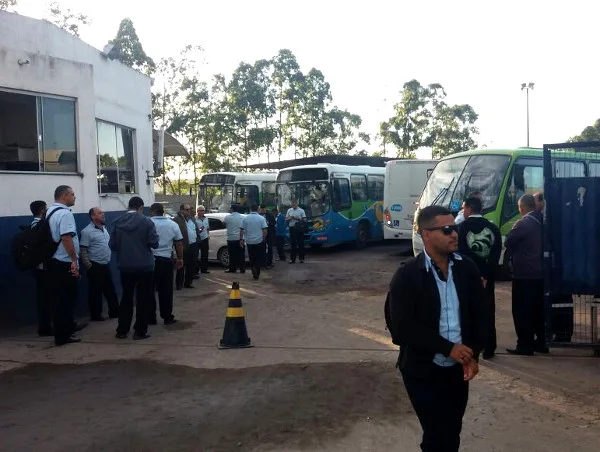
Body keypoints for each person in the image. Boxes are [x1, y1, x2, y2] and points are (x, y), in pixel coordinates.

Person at [388, 205, 486, 452]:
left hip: (457, 369)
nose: (454, 234)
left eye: (454, 228)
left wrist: (472, 354)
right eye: (446, 229)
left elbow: (481, 316)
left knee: (452, 432)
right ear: (426, 234)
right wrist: (447, 348)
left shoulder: (467, 269)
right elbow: (401, 328)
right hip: (422, 370)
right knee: (436, 432)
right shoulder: (408, 275)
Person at [458, 196, 502, 359]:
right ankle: (489, 347)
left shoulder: (461, 228)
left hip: (467, 278)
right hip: (487, 279)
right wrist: (485, 274)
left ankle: (471, 348)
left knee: (468, 312)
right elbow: (496, 253)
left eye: (463, 208)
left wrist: (475, 273)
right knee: (488, 311)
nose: (463, 211)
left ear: (469, 209)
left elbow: (462, 253)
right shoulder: (492, 228)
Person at [110, 196, 159, 340]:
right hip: (145, 266)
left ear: (128, 207)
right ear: (141, 208)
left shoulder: (118, 222)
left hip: (125, 266)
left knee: (126, 298)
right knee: (143, 299)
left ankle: (122, 330)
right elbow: (154, 243)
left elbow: (112, 245)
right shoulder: (147, 222)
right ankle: (140, 331)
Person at [505, 194, 547, 355]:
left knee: (522, 312)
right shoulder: (543, 220)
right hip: (541, 273)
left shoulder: (524, 223)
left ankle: (525, 345)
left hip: (524, 275)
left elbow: (509, 240)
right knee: (538, 311)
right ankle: (542, 342)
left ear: (521, 207)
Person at [46, 186, 81, 346]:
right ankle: (65, 334)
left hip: (53, 262)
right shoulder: (65, 214)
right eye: (72, 194)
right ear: (65, 196)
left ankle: (62, 332)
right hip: (64, 262)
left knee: (58, 300)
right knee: (67, 300)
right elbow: (66, 238)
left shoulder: (49, 212)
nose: (74, 197)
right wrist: (74, 260)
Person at [80, 207, 119, 321]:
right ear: (93, 216)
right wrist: (89, 265)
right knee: (95, 291)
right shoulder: (87, 231)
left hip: (105, 263)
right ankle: (96, 315)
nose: (103, 214)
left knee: (110, 289)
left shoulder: (104, 228)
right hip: (95, 264)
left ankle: (114, 311)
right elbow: (83, 250)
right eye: (100, 213)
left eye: (102, 212)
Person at [149, 203, 183, 325]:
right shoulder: (172, 224)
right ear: (162, 212)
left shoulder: (148, 223)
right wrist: (180, 258)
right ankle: (167, 316)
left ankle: (150, 317)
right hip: (166, 260)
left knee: (149, 290)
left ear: (152, 211)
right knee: (166, 290)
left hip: (150, 261)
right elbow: (178, 243)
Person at [30, 200, 53, 337]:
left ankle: (45, 325)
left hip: (38, 266)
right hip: (43, 266)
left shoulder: (33, 225)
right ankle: (45, 327)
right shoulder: (40, 225)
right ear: (42, 210)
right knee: (45, 298)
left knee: (43, 297)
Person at [174, 203, 200, 289]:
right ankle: (179, 284)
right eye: (187, 210)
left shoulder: (192, 219)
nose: (189, 211)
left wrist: (197, 241)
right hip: (183, 246)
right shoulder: (176, 219)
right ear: (182, 210)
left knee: (191, 265)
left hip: (193, 245)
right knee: (181, 265)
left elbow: (196, 230)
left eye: (189, 209)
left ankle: (188, 283)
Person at [241, 204, 268, 280]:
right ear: (258, 209)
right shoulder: (261, 218)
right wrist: (263, 238)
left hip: (249, 241)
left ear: (250, 209)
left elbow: (242, 230)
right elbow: (265, 230)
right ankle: (257, 271)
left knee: (251, 257)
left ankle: (253, 268)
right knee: (258, 257)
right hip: (259, 241)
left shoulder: (245, 219)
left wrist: (241, 240)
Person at [224, 204, 245, 274]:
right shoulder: (242, 217)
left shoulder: (227, 217)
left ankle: (232, 269)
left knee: (232, 255)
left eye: (230, 208)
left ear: (232, 209)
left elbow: (225, 224)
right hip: (240, 238)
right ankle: (242, 269)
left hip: (231, 238)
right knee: (241, 255)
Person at [286, 199, 306, 264]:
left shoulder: (301, 210)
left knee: (301, 244)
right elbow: (286, 219)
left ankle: (301, 258)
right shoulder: (289, 210)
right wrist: (290, 218)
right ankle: (292, 259)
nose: (293, 205)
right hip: (292, 228)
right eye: (292, 204)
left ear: (297, 204)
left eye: (294, 203)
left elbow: (304, 219)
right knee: (293, 244)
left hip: (299, 228)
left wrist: (297, 218)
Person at [195, 205, 210, 274]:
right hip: (197, 239)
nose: (201, 212)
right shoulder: (194, 219)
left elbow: (207, 228)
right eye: (200, 210)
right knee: (196, 255)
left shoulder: (206, 219)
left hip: (205, 238)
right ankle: (196, 270)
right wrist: (199, 230)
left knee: (205, 255)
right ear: (197, 211)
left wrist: (208, 235)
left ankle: (204, 269)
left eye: (203, 210)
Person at [260, 204, 275, 268]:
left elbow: (274, 223)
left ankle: (269, 262)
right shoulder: (259, 215)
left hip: (269, 233)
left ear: (265, 209)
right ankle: (263, 262)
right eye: (261, 209)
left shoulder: (270, 215)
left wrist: (268, 222)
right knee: (262, 248)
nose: (262, 210)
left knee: (270, 248)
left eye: (263, 209)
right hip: (261, 233)